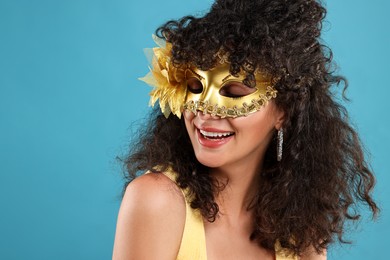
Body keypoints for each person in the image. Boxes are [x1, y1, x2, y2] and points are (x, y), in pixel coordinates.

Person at [112, 0, 378, 259]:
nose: (204, 111)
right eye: (195, 87)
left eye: (234, 92)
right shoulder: (156, 201)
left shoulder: (299, 229)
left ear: (284, 112)